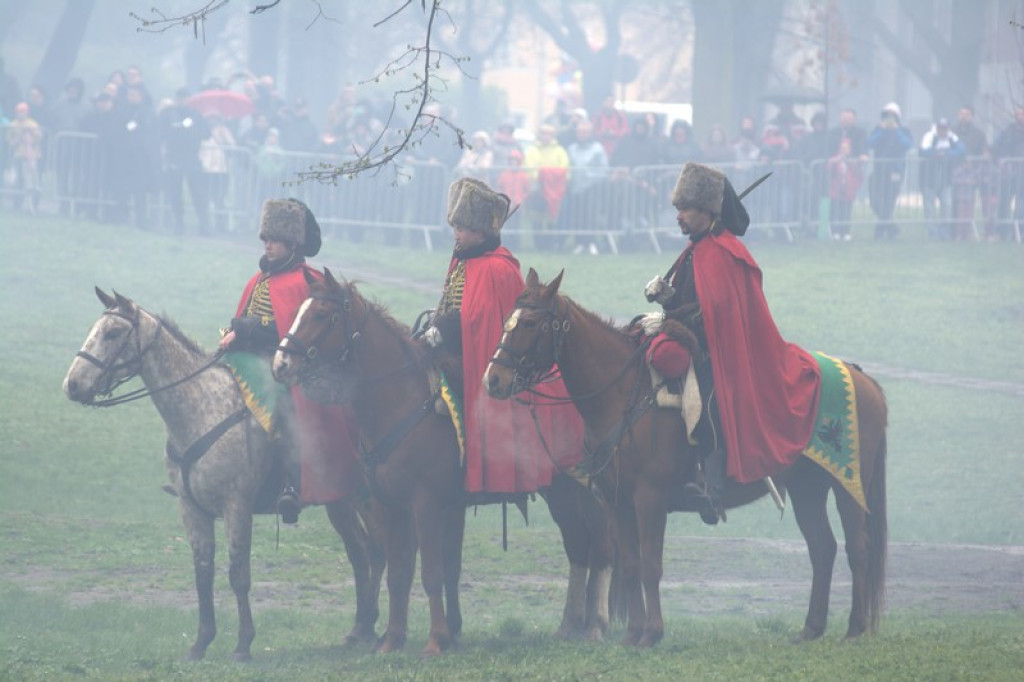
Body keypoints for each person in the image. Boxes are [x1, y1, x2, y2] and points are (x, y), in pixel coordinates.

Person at [641, 163, 821, 524]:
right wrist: (666, 297)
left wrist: (669, 321)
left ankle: (713, 489)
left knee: (704, 401)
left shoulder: (724, 252)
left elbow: (715, 319)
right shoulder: (696, 249)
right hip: (697, 342)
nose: (678, 216)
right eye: (677, 209)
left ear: (706, 211)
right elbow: (693, 302)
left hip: (721, 353)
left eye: (685, 210)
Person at [420, 177, 582, 504]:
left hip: (485, 360)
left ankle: (460, 466)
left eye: (463, 227)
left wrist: (449, 330)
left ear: (482, 231)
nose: (457, 233)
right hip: (453, 348)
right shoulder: (464, 260)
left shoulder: (499, 268)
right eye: (455, 226)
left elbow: (487, 322)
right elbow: (452, 304)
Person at [219, 198, 359, 523]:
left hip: (282, 366)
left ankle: (290, 484)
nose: (268, 245)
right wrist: (237, 333)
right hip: (244, 360)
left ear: (292, 242)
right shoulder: (258, 281)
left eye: (275, 239)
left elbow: (287, 332)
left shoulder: (303, 281)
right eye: (266, 239)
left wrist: (243, 330)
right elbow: (246, 319)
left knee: (285, 405)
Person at [159, 87, 211, 234]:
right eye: (180, 97)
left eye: (185, 97)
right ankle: (179, 223)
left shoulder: (196, 114)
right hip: (174, 159)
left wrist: (191, 134)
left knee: (198, 193)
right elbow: (161, 132)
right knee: (175, 193)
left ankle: (204, 224)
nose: (183, 101)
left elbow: (206, 133)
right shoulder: (168, 114)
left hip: (192, 159)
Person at [866, 102, 914, 240]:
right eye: (887, 116)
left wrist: (896, 131)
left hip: (895, 171)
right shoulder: (878, 129)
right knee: (875, 200)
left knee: (889, 201)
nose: (889, 119)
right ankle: (891, 227)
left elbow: (907, 144)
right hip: (879, 169)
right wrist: (882, 131)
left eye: (892, 116)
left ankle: (880, 231)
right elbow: (870, 143)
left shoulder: (904, 130)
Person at [919, 117, 965, 240]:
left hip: (945, 180)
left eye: (945, 128)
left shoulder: (951, 137)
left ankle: (944, 231)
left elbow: (961, 151)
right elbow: (923, 151)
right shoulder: (929, 136)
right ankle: (932, 232)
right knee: (929, 207)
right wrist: (937, 153)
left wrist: (946, 153)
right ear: (937, 127)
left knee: (947, 205)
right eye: (940, 128)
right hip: (929, 179)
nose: (942, 131)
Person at [827, 137, 863, 241]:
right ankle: (835, 231)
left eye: (846, 148)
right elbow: (829, 170)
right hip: (836, 190)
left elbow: (859, 175)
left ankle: (845, 231)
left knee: (846, 212)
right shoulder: (834, 160)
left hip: (848, 190)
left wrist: (854, 186)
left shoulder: (853, 161)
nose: (844, 150)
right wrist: (836, 161)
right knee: (835, 212)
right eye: (842, 148)